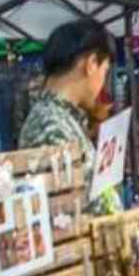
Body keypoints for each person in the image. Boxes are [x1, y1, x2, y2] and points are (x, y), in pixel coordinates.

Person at [20, 18, 121, 213]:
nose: (103, 82)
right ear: (91, 64)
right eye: (105, 70)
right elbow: (75, 210)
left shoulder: (64, 119)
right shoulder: (49, 125)